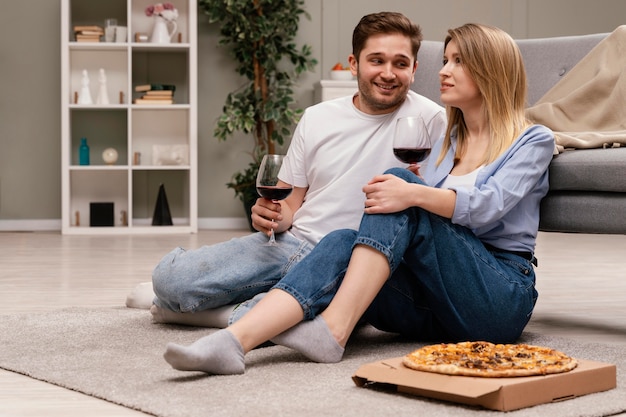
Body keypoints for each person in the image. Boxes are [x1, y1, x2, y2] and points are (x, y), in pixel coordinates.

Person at [160, 22, 556, 375]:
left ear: (491, 71)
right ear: (354, 64)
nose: (443, 70)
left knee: (398, 185)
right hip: (437, 303)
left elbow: (487, 206)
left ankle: (331, 328)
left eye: (457, 62)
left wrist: (413, 191)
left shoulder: (532, 139)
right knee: (341, 240)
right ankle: (233, 343)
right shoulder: (444, 140)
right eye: (446, 60)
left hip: (498, 297)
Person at [125, 12, 447, 330]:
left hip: (358, 262)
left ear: (415, 69)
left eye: (400, 63)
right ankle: (209, 301)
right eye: (376, 60)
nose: (388, 73)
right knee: (171, 279)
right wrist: (273, 215)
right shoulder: (318, 117)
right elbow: (291, 203)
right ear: (354, 63)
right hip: (294, 245)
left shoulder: (432, 121)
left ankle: (198, 312)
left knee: (303, 321)